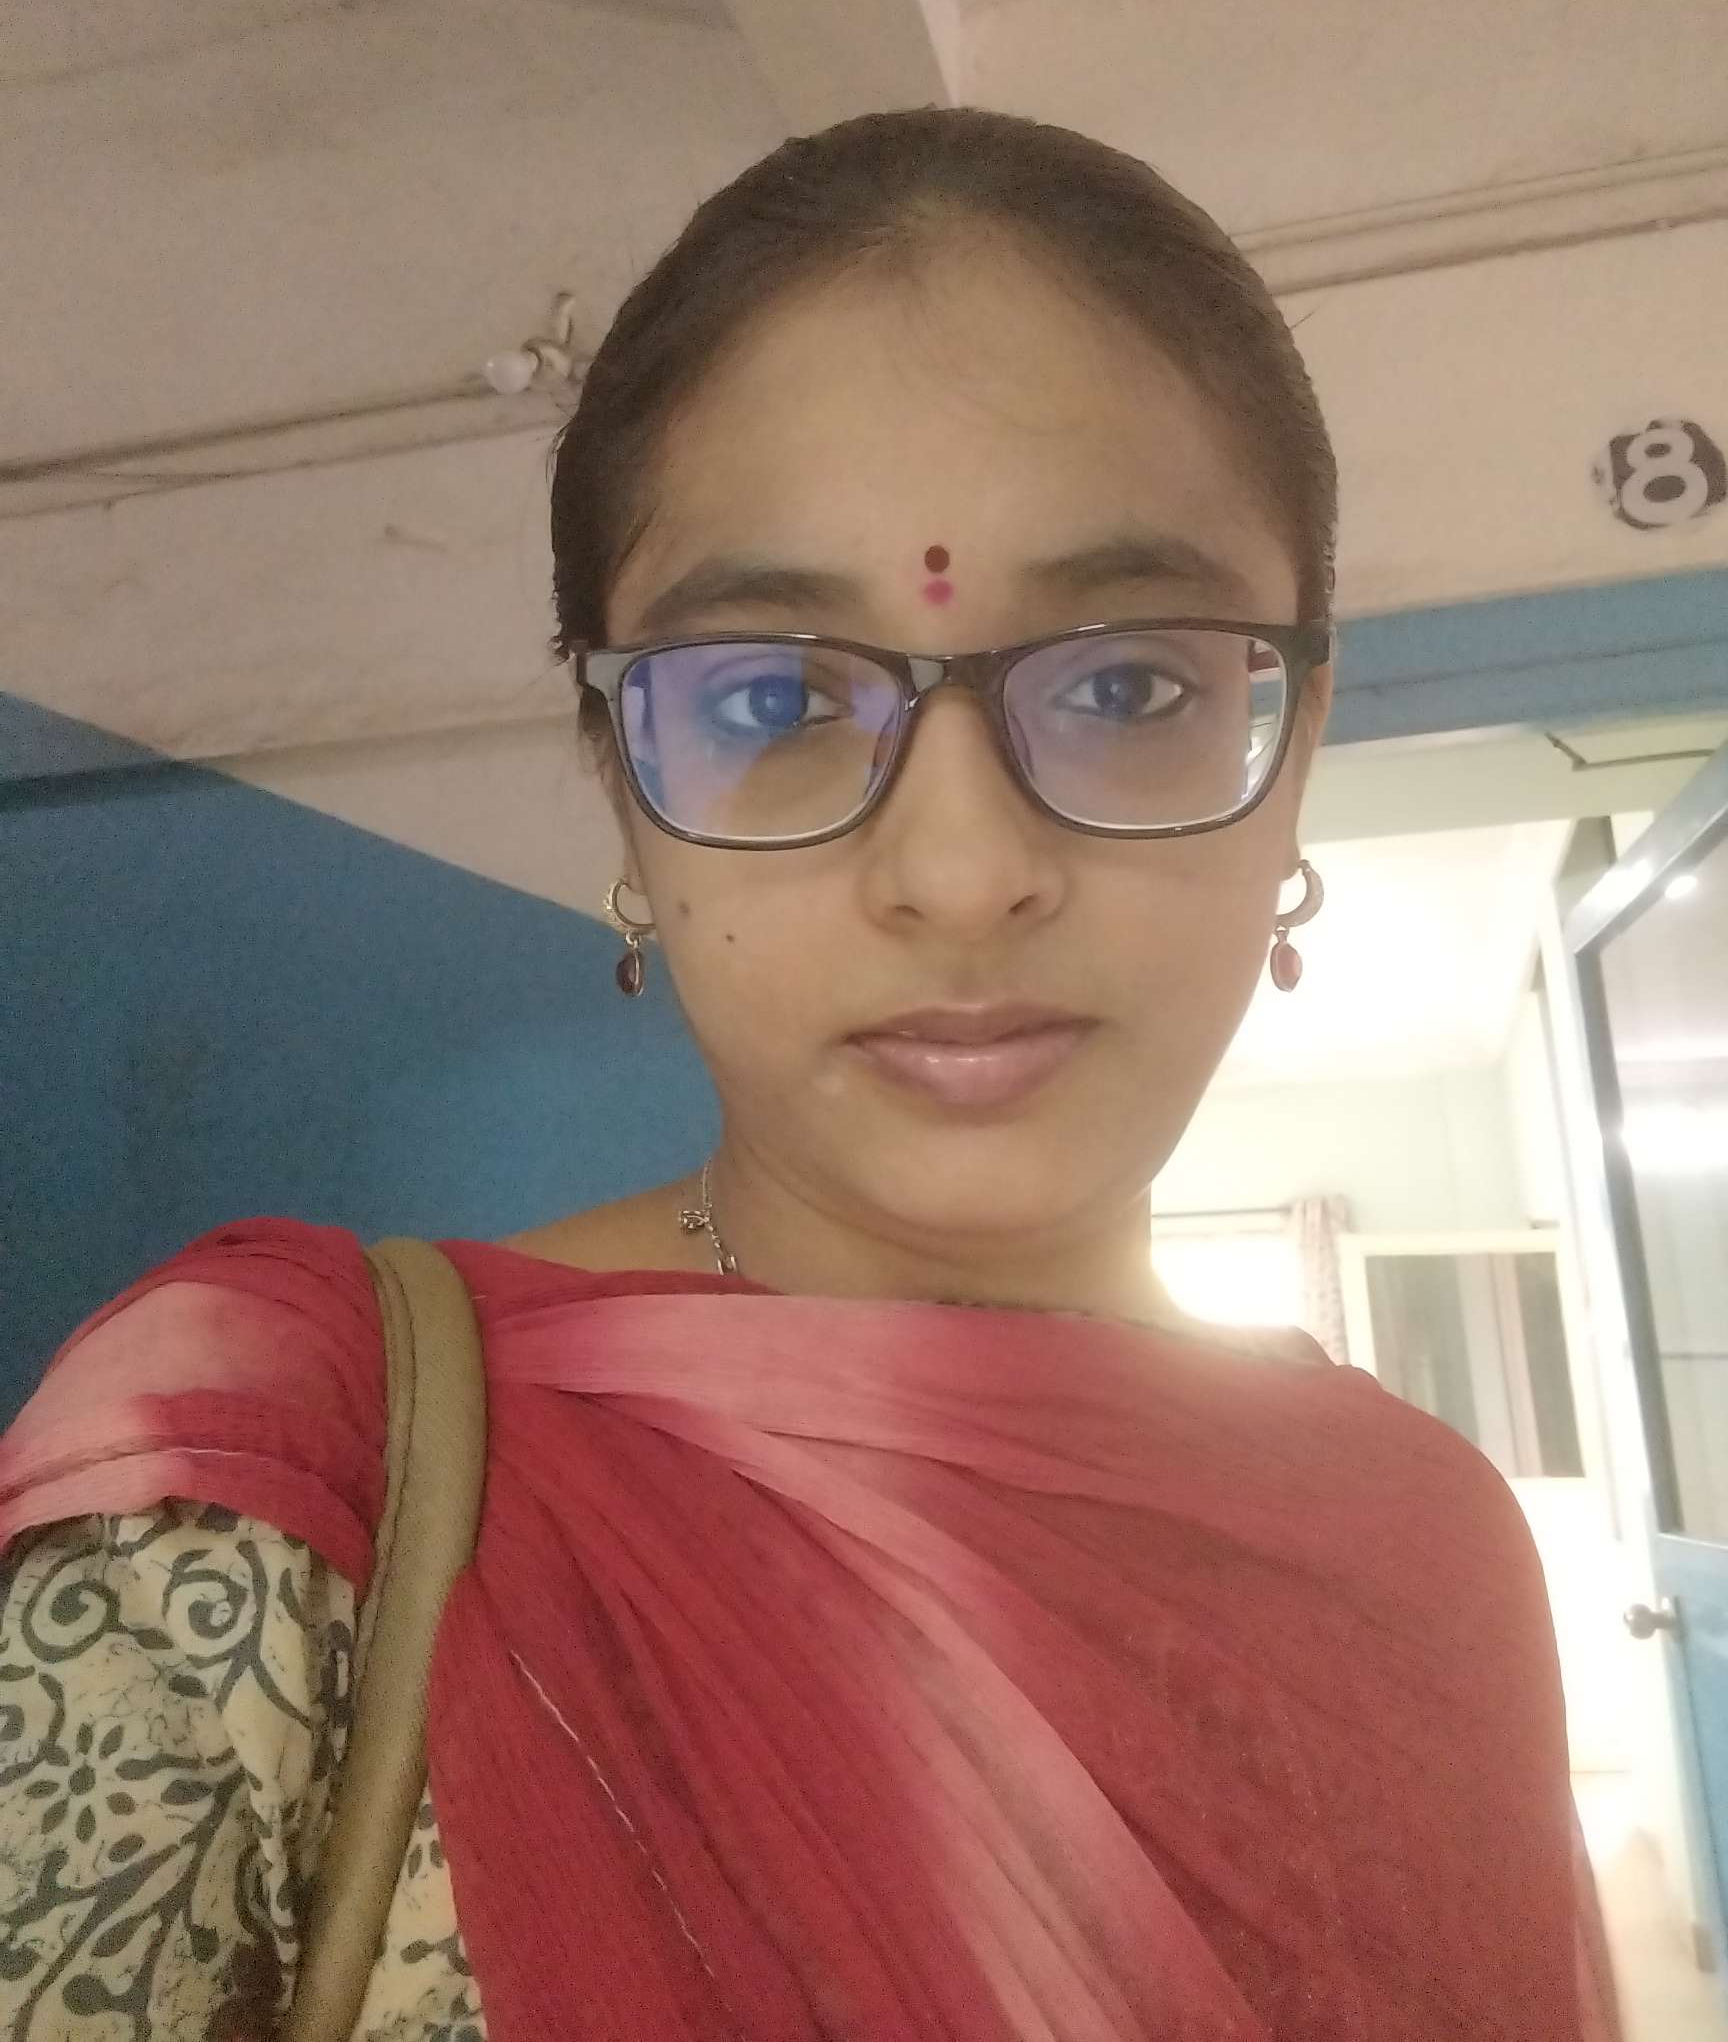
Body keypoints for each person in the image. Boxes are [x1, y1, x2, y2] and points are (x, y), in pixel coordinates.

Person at [0, 109, 1616, 2041]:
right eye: (772, 697)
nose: (964, 873)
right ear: (622, 789)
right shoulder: (269, 1488)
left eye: (1126, 686)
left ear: (1297, 747)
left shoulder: (1423, 1556)